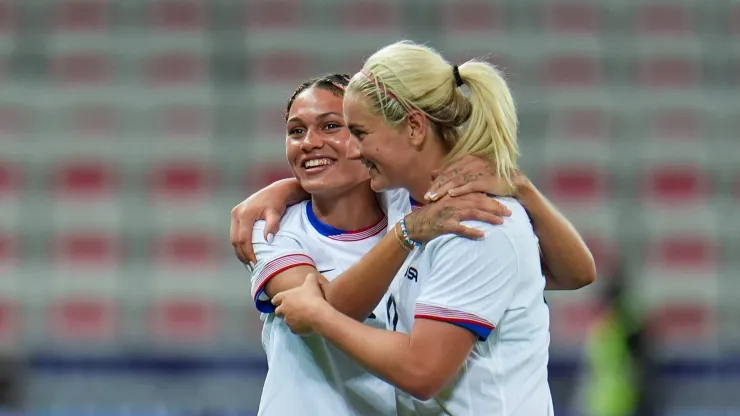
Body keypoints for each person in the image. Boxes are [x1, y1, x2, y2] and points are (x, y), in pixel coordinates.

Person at [266, 40, 566, 415]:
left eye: (360, 133)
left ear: (413, 127)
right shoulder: (408, 205)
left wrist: (319, 315)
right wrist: (282, 190)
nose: (354, 150)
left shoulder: (476, 223)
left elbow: (422, 372)